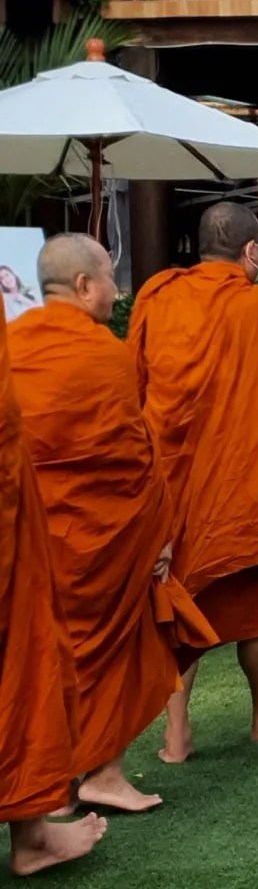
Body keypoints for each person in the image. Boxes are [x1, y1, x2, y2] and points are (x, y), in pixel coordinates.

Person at [10, 234, 216, 813]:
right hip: (102, 536)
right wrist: (157, 533)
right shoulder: (104, 354)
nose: (116, 290)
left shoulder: (12, 344)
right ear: (83, 286)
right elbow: (132, 456)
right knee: (115, 648)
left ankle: (52, 788)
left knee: (49, 657)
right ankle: (101, 773)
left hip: (37, 536)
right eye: (108, 278)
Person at [129, 201, 258, 764]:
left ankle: (175, 736)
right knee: (257, 611)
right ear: (250, 251)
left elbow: (133, 386)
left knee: (177, 604)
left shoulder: (156, 298)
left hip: (174, 483)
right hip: (243, 484)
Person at [1, 297, 108, 875]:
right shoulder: (96, 351)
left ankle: (35, 833)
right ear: (89, 285)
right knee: (21, 658)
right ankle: (32, 836)